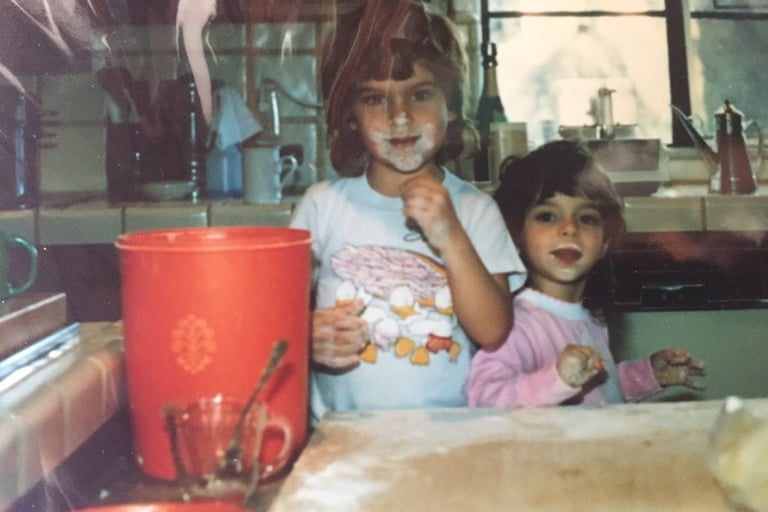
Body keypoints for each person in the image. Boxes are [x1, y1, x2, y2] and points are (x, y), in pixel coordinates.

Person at [290, 0, 526, 423]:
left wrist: (450, 234)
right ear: (351, 117)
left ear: (451, 106)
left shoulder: (475, 210)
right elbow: (276, 312)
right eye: (375, 99)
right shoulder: (321, 207)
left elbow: (493, 331)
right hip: (341, 438)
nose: (399, 116)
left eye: (419, 94)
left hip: (451, 437)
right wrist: (304, 332)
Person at [467, 140, 705, 407]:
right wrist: (557, 380)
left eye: (586, 218)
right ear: (516, 234)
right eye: (547, 216)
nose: (569, 229)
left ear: (605, 241)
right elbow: (485, 398)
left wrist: (645, 374)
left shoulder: (591, 318)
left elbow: (597, 391)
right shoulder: (514, 324)